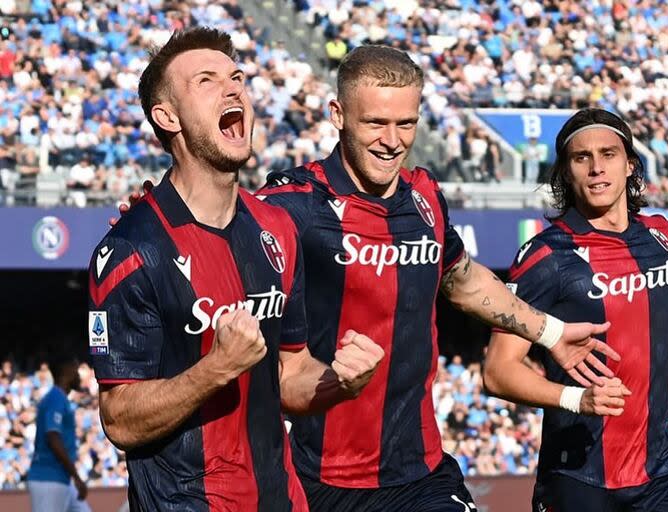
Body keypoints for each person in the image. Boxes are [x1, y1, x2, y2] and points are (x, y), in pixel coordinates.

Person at [122, 45, 620, 511]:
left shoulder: (425, 198)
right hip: (322, 480)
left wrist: (549, 333)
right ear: (337, 116)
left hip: (423, 473)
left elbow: (464, 280)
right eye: (376, 122)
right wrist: (155, 217)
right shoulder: (294, 203)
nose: (392, 140)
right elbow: (213, 223)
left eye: (406, 123)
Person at [89, 28, 383, 511]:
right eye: (205, 80)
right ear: (167, 116)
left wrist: (339, 382)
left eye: (237, 77)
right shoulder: (131, 248)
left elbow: (291, 373)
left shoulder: (277, 229)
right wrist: (216, 369)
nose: (233, 89)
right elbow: (119, 419)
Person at [484, 108, 668, 512]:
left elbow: (662, 315)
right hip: (581, 477)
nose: (597, 168)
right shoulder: (545, 256)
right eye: (582, 158)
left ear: (630, 164)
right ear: (566, 172)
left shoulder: (661, 235)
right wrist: (578, 399)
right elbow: (497, 372)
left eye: (608, 154)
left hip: (667, 468)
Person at [27, 354, 90, 512]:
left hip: (61, 478)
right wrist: (76, 476)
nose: (78, 375)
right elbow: (53, 437)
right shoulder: (55, 398)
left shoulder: (59, 398)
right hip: (48, 479)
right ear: (67, 372)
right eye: (76, 369)